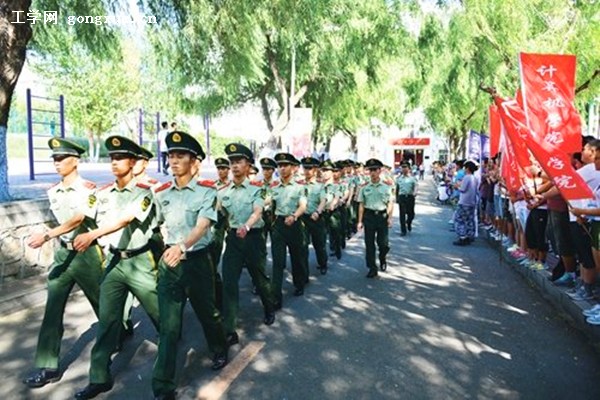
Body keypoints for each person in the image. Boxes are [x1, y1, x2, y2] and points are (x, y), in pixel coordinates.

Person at [74, 136, 160, 399]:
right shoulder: (103, 194)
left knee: (161, 315)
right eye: (111, 157)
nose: (114, 162)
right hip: (114, 262)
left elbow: (126, 219)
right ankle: (98, 377)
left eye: (120, 158)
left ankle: (169, 348)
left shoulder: (144, 192)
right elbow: (84, 216)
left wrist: (92, 235)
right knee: (107, 321)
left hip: (140, 261)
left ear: (133, 162)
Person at [151, 131, 229, 399]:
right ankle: (162, 385)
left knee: (208, 313)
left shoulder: (207, 191)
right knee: (168, 327)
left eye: (180, 156)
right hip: (170, 265)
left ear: (194, 162)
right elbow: (153, 224)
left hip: (197, 262)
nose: (173, 161)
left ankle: (219, 348)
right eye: (170, 155)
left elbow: (203, 225)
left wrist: (182, 246)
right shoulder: (161, 193)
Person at [23, 138, 104, 389]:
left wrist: (47, 235)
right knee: (53, 308)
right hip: (63, 254)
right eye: (55, 159)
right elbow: (63, 223)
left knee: (103, 304)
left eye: (62, 159)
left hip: (87, 255)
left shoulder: (88, 190)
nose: (57, 163)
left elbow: (78, 219)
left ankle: (119, 332)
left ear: (75, 161)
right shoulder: (53, 191)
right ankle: (48, 366)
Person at [219, 143, 276, 347]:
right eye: (232, 162)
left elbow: (257, 211)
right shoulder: (223, 192)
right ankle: (229, 329)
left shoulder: (257, 190)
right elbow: (220, 213)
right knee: (229, 282)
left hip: (253, 239)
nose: (234, 165)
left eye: (239, 161)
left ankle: (269, 307)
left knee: (259, 279)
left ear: (248, 165)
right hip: (233, 240)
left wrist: (247, 226)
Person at [267, 153, 308, 307]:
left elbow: (303, 206)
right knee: (278, 262)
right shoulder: (274, 187)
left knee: (297, 258)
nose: (282, 168)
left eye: (285, 165)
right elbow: (267, 202)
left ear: (292, 167)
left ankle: (299, 283)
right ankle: (276, 297)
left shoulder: (300, 187)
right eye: (280, 166)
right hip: (279, 225)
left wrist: (294, 216)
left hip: (294, 225)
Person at [357, 159, 394, 278]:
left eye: (374, 170)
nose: (372, 172)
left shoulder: (386, 186)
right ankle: (372, 267)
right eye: (370, 170)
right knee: (369, 244)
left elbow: (390, 203)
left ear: (380, 171)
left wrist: (389, 218)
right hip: (369, 216)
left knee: (383, 244)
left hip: (382, 216)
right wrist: (359, 221)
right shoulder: (364, 187)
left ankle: (382, 257)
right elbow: (361, 204)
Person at [300, 157, 328, 275]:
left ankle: (323, 263)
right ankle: (303, 271)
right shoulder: (299, 184)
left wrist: (317, 212)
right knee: (303, 245)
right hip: (303, 218)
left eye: (309, 168)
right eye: (305, 168)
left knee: (319, 244)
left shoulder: (320, 186)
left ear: (315, 169)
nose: (307, 171)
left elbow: (323, 201)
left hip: (316, 218)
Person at [453, 161, 478, 246]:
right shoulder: (474, 178)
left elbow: (462, 189)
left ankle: (462, 236)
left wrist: (457, 186)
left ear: (467, 168)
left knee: (460, 219)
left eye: (465, 168)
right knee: (469, 220)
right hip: (472, 202)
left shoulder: (467, 177)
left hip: (464, 201)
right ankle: (469, 236)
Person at [321, 160, 342, 259]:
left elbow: (337, 197)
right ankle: (323, 258)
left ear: (332, 172)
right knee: (322, 236)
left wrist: (333, 204)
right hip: (321, 212)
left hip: (333, 212)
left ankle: (337, 249)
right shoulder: (319, 185)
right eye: (323, 170)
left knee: (335, 232)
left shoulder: (336, 186)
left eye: (327, 170)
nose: (324, 173)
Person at [396, 162, 418, 236]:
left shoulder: (412, 178)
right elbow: (397, 188)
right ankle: (403, 230)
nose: (404, 169)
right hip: (402, 197)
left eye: (405, 167)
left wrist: (415, 192)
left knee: (411, 214)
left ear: (409, 169)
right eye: (402, 167)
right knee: (402, 214)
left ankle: (408, 222)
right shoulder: (399, 179)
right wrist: (397, 198)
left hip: (410, 197)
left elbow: (416, 186)